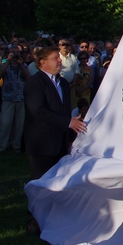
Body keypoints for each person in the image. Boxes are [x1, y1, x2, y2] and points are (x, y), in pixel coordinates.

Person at [24, 46, 87, 234]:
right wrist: (68, 122)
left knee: (58, 183)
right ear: (42, 62)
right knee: (40, 182)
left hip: (58, 141)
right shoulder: (35, 83)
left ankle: (54, 219)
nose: (59, 61)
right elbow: (38, 111)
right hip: (41, 142)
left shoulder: (63, 83)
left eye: (59, 58)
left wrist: (68, 136)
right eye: (54, 58)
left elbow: (65, 111)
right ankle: (34, 222)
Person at [0, 47, 29, 152]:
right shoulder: (4, 64)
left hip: (21, 98)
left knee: (19, 125)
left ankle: (16, 146)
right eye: (13, 52)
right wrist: (8, 61)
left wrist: (20, 64)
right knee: (5, 123)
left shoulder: (23, 65)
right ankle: (1, 146)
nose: (15, 54)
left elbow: (28, 77)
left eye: (17, 52)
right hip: (7, 98)